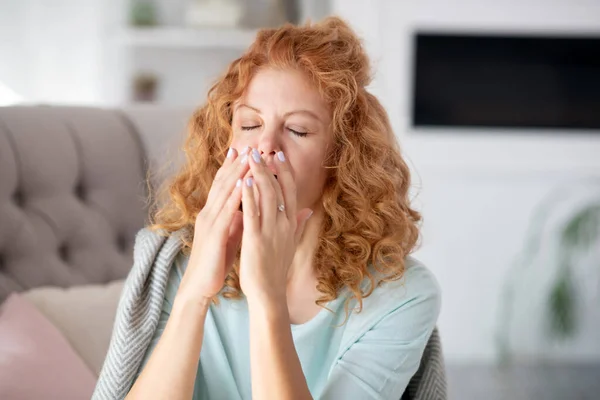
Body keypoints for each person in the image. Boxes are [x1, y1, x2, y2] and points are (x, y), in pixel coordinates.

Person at [93, 16, 441, 400]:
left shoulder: (402, 295)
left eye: (298, 130)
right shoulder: (173, 264)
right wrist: (193, 293)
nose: (265, 146)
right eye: (249, 124)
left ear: (342, 158)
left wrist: (267, 297)